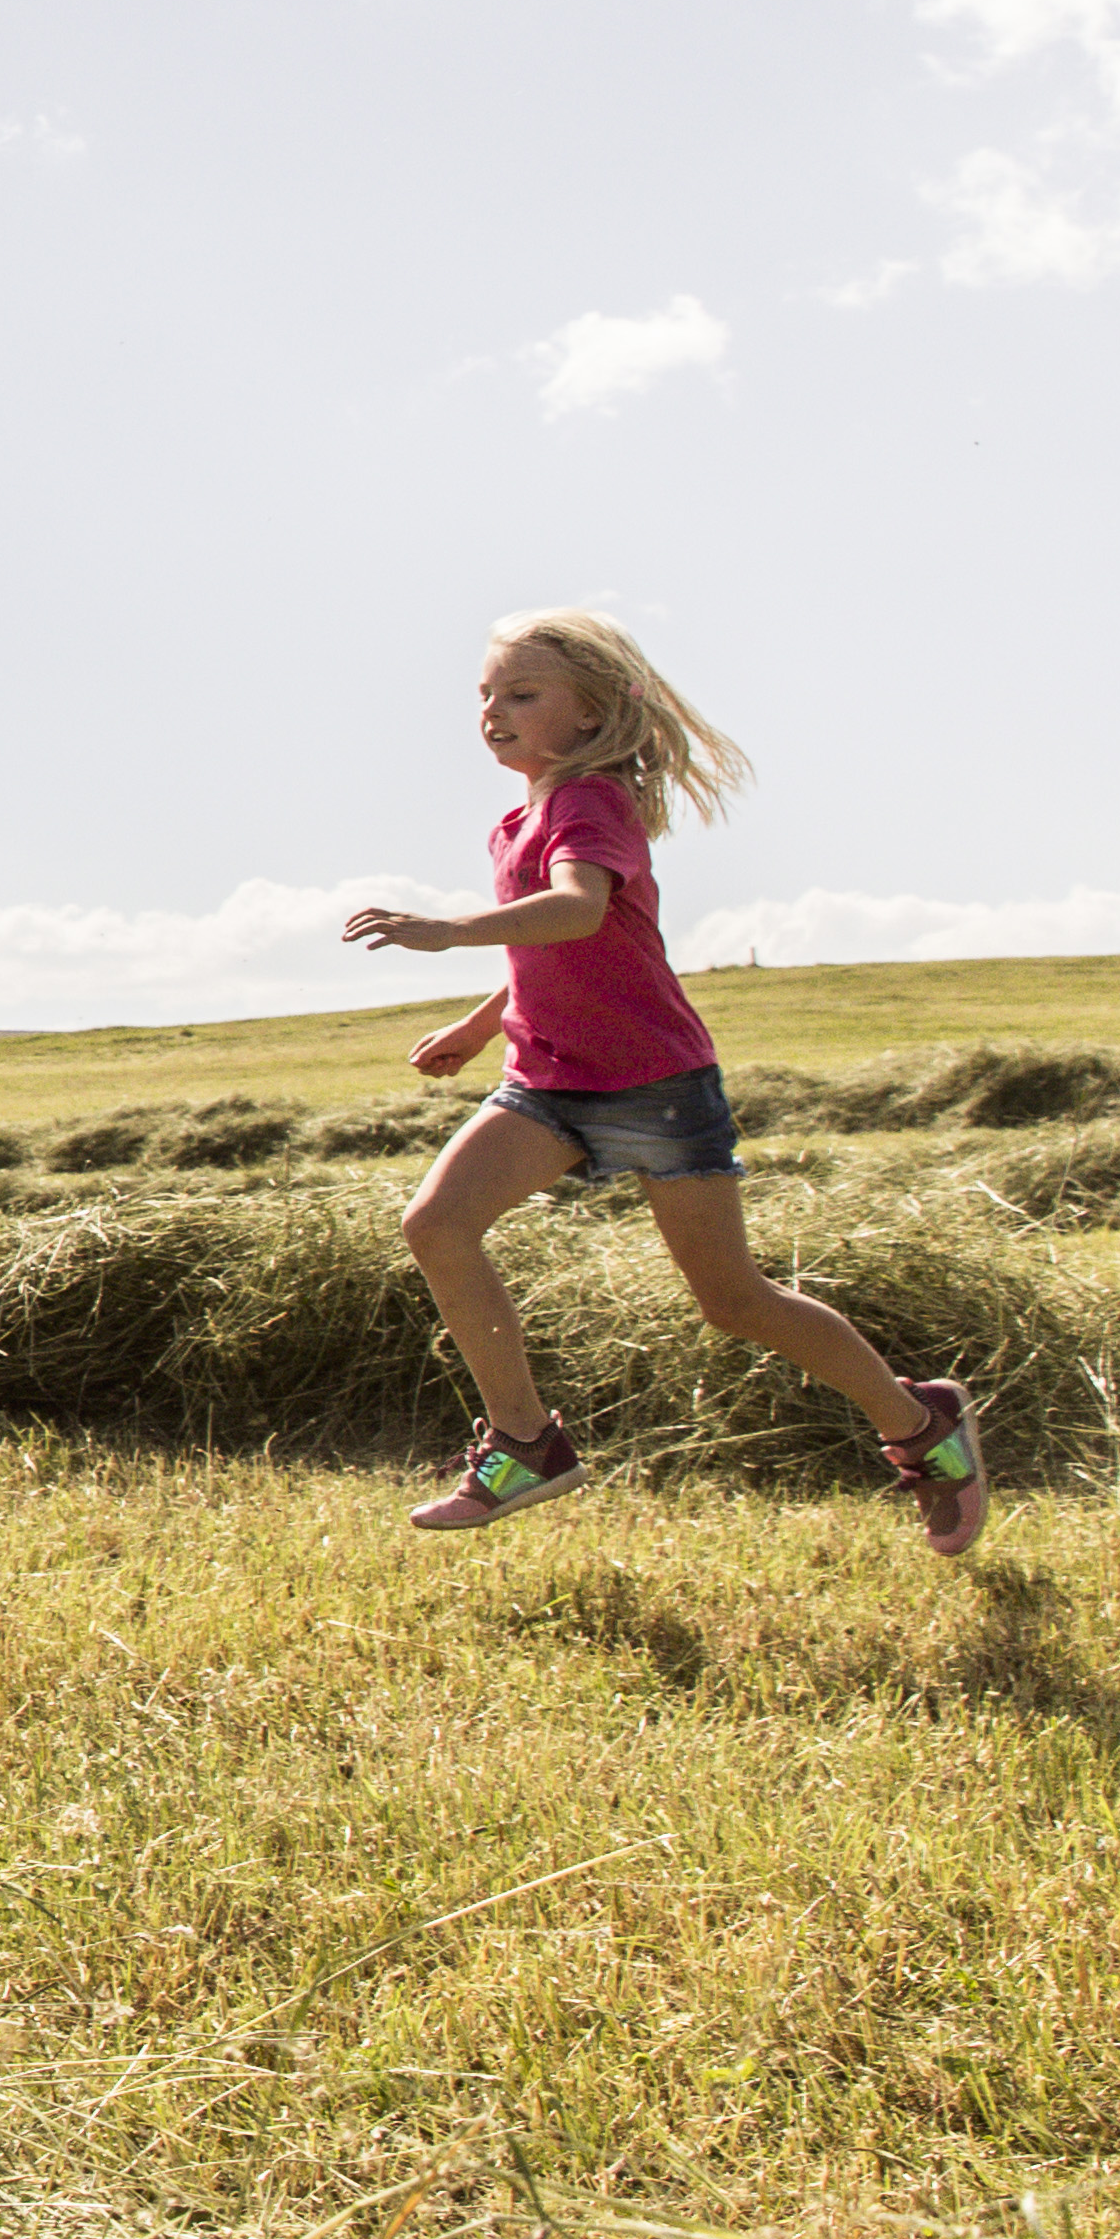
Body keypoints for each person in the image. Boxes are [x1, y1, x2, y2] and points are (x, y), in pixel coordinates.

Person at [340, 612, 987, 1553]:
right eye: (485, 692)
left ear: (595, 711)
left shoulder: (592, 801)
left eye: (522, 693)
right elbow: (551, 947)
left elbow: (574, 910)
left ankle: (922, 1425)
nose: (492, 710)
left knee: (734, 1303)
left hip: (653, 1085)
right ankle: (526, 1443)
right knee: (436, 1224)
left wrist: (445, 929)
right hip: (549, 1081)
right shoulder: (520, 818)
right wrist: (482, 1028)